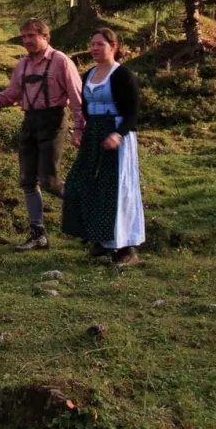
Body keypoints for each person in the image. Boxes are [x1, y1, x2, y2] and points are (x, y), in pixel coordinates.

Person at [0, 17, 83, 251]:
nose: (27, 41)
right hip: (30, 121)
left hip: (53, 121)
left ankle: (87, 212)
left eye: (32, 36)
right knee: (28, 181)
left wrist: (80, 128)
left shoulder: (61, 61)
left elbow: (78, 99)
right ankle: (38, 234)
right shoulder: (22, 65)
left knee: (49, 181)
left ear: (45, 36)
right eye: (24, 36)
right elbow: (10, 96)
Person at [62, 27, 146, 266]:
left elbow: (133, 112)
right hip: (94, 132)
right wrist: (80, 131)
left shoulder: (122, 75)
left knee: (115, 188)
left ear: (113, 47)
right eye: (92, 44)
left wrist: (118, 134)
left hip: (117, 133)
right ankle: (98, 235)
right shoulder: (88, 74)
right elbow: (84, 109)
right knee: (81, 182)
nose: (95, 48)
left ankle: (125, 246)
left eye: (100, 44)